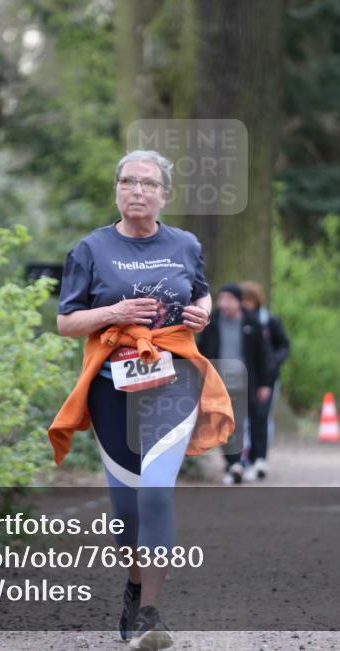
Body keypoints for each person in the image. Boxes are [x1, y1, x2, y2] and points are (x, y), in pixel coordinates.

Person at [49, 149, 235, 650]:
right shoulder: (90, 249)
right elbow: (67, 322)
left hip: (173, 382)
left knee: (156, 491)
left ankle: (152, 612)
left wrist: (202, 313)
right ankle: (133, 589)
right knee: (126, 509)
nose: (137, 190)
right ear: (116, 189)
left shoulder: (185, 243)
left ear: (164, 195)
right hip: (113, 387)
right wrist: (114, 312)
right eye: (128, 182)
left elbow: (200, 292)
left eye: (148, 184)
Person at [198, 284, 274, 484]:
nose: (224, 303)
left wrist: (266, 383)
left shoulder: (253, 323)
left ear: (238, 301)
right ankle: (233, 464)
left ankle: (257, 460)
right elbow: (202, 351)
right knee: (228, 423)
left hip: (249, 382)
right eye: (221, 298)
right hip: (220, 382)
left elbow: (264, 356)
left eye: (228, 299)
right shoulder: (211, 322)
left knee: (257, 420)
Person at [239, 280, 290, 477]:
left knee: (261, 417)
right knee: (242, 420)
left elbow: (283, 345)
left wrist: (273, 362)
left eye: (249, 300)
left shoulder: (269, 320)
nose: (246, 304)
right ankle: (243, 458)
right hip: (245, 377)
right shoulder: (236, 322)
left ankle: (260, 458)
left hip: (266, 378)